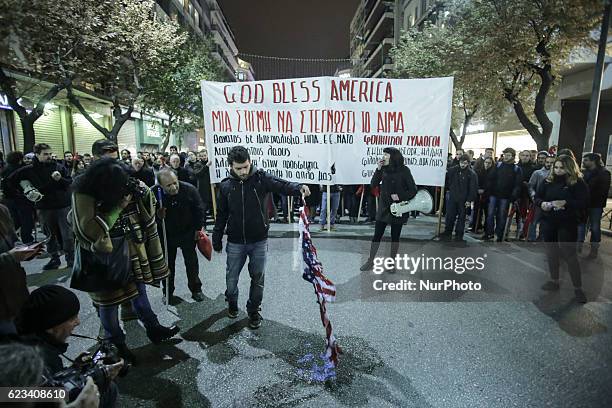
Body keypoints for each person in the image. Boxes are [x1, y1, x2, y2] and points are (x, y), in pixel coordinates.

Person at [70, 157, 179, 362]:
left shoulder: (123, 185)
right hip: (103, 259)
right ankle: (116, 344)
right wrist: (118, 206)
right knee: (109, 305)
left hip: (130, 249)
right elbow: (90, 230)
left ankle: (154, 328)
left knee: (139, 291)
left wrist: (142, 191)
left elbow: (149, 204)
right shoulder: (83, 193)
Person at [212, 146, 310, 329]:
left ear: (250, 162)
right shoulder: (225, 186)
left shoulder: (261, 178)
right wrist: (216, 238)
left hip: (259, 241)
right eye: (238, 168)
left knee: (258, 279)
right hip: (235, 242)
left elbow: (282, 185)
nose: (243, 171)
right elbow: (221, 215)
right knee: (231, 280)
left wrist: (299, 188)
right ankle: (232, 302)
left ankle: (253, 310)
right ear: (230, 166)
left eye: (246, 167)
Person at [17, 285, 122, 407]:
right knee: (109, 390)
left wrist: (73, 371)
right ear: (51, 326)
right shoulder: (35, 361)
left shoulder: (31, 343)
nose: (78, 322)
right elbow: (12, 395)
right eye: (72, 318)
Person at [7, 143, 74, 269]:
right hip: (44, 207)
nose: (49, 157)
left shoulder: (59, 167)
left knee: (67, 235)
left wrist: (60, 179)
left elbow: (69, 183)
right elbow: (10, 181)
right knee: (49, 235)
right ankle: (54, 259)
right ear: (37, 155)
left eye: (50, 153)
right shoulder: (29, 170)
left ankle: (71, 259)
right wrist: (25, 190)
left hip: (62, 206)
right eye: (45, 154)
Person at [535, 155, 588, 303]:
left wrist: (566, 202)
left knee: (570, 255)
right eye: (556, 167)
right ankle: (554, 281)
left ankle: (578, 288)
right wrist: (542, 204)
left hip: (567, 222)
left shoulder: (577, 183)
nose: (558, 171)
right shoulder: (547, 181)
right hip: (548, 221)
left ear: (569, 168)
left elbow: (583, 202)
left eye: (562, 168)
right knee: (551, 252)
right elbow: (537, 197)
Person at [360, 147, 417, 272]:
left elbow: (413, 190)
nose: (383, 156)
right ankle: (371, 261)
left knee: (395, 237)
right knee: (376, 236)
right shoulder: (383, 169)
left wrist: (400, 196)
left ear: (393, 156)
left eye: (386, 154)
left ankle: (391, 264)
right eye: (384, 154)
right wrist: (378, 169)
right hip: (384, 207)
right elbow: (373, 184)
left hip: (399, 208)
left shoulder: (404, 170)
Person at [153, 170, 206, 303]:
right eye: (168, 185)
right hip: (166, 234)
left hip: (187, 232)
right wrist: (158, 217)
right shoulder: (153, 193)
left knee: (191, 262)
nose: (173, 187)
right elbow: (147, 217)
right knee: (167, 265)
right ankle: (168, 292)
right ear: (160, 185)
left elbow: (199, 210)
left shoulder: (189, 189)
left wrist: (198, 229)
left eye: (174, 183)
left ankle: (196, 289)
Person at [0, 204, 42, 335]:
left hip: (16, 291)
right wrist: (11, 257)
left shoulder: (2, 210)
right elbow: (10, 255)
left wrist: (25, 251)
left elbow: (14, 240)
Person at [483, 147, 522, 242]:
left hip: (506, 196)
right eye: (505, 155)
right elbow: (491, 178)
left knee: (502, 215)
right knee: (490, 214)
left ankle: (499, 234)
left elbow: (517, 184)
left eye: (508, 155)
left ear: (513, 156)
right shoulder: (498, 165)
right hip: (494, 194)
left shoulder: (516, 169)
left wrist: (514, 195)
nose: (506, 157)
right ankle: (489, 233)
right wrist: (488, 190)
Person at [578, 153, 611, 259]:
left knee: (595, 227)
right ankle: (578, 246)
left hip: (595, 205)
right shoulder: (584, 172)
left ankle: (594, 249)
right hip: (584, 204)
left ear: (593, 161)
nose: (583, 162)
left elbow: (602, 191)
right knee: (581, 225)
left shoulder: (604, 173)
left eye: (586, 160)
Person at [1, 151, 35, 244]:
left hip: (8, 199)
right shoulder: (22, 170)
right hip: (21, 198)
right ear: (20, 159)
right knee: (26, 221)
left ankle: (11, 239)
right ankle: (28, 241)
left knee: (15, 221)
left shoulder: (5, 170)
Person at [441, 154, 478, 242]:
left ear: (468, 163)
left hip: (464, 199)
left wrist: (469, 200)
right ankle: (448, 231)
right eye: (461, 162)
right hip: (453, 197)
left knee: (461, 217)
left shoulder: (472, 174)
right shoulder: (454, 170)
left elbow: (473, 188)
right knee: (450, 215)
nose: (463, 165)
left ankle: (459, 234)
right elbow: (445, 173)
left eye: (465, 163)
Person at [527, 154, 555, 241]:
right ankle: (532, 238)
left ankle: (542, 238)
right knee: (534, 221)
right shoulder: (537, 173)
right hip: (539, 200)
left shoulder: (556, 175)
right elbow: (531, 186)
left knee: (546, 222)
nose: (549, 164)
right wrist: (533, 196)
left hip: (551, 201)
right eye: (547, 162)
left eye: (551, 162)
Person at [469, 156, 493, 233]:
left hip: (488, 194)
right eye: (486, 162)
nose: (487, 164)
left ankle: (487, 228)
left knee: (487, 212)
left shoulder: (493, 172)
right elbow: (476, 182)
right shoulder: (479, 171)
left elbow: (491, 184)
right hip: (478, 193)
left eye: (489, 163)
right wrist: (478, 189)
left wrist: (485, 190)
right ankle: (475, 226)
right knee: (476, 210)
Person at [192, 149, 213, 220]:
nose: (204, 157)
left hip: (212, 187)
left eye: (205, 155)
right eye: (202, 156)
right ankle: (203, 225)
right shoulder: (197, 164)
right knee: (203, 208)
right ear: (200, 157)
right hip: (203, 189)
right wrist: (206, 166)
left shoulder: (211, 162)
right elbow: (198, 174)